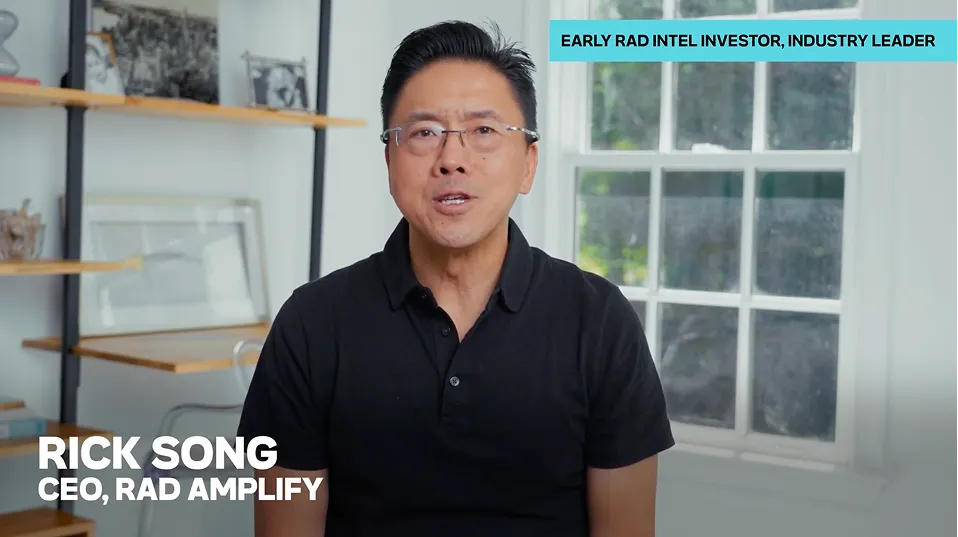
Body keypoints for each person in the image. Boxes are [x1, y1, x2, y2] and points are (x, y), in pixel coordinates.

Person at [237, 20, 674, 537]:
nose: (452, 160)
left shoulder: (598, 320)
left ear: (528, 163)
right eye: (424, 133)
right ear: (389, 160)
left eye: (484, 131)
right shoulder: (311, 323)